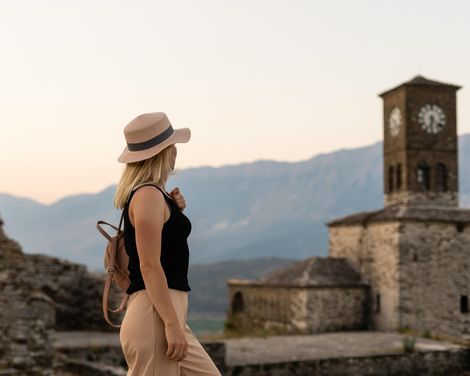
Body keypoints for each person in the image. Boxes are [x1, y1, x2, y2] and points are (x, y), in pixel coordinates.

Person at [113, 112, 222, 375]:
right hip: (156, 316)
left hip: (165, 315)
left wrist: (174, 211)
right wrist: (171, 325)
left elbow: (166, 248)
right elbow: (150, 265)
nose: (176, 152)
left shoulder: (154, 195)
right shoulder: (148, 195)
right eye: (173, 147)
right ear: (165, 152)